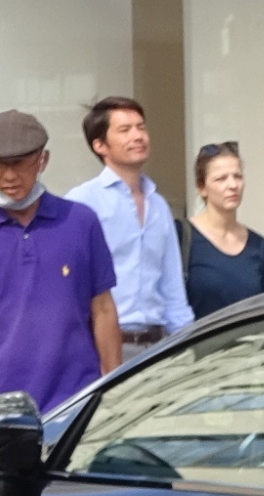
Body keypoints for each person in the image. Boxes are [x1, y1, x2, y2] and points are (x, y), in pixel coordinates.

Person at [0, 109, 119, 416]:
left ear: (43, 160)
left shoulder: (81, 222)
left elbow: (102, 308)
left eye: (20, 164)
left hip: (77, 400)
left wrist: (115, 390)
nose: (9, 176)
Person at [68, 96, 190, 358]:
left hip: (158, 346)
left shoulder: (158, 205)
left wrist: (185, 343)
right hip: (102, 345)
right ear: (100, 145)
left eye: (141, 127)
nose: (138, 136)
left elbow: (172, 286)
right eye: (125, 130)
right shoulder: (82, 203)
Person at [182, 141, 264, 319]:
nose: (232, 185)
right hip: (196, 344)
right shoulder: (183, 237)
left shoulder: (258, 246)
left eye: (237, 176)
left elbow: (263, 314)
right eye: (221, 179)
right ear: (202, 188)